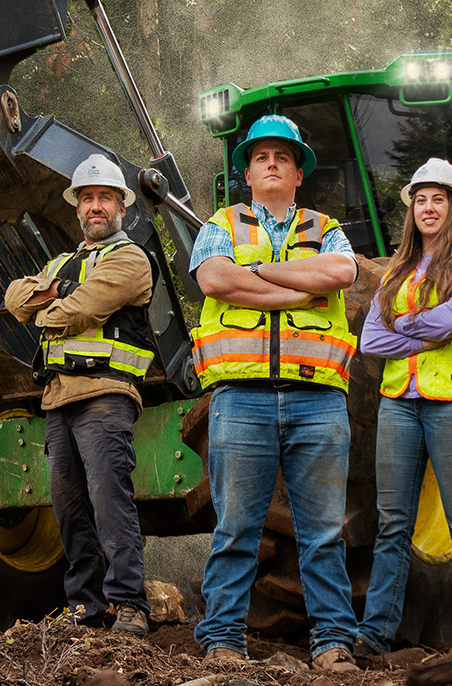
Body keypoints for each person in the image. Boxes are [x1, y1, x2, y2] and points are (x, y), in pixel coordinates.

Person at [188, 114, 362, 672]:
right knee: (236, 527)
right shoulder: (220, 222)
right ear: (246, 171)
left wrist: (257, 274)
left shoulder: (327, 227)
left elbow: (339, 271)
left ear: (298, 173)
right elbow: (215, 280)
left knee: (324, 533)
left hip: (318, 400)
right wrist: (291, 287)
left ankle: (333, 644)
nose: (271, 164)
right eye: (261, 157)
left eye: (282, 157)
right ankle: (222, 641)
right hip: (241, 399)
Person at [3, 153, 157, 635]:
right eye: (87, 198)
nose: (95, 206)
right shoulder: (61, 262)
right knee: (69, 510)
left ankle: (130, 605)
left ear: (121, 208)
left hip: (105, 396)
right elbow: (13, 297)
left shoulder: (131, 259)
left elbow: (74, 310)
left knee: (109, 500)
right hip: (57, 398)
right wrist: (61, 289)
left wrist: (51, 302)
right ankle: (84, 609)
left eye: (104, 198)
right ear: (77, 208)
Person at [354, 158, 452, 654]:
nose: (428, 207)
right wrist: (426, 333)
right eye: (421, 199)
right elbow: (373, 339)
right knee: (392, 524)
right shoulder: (395, 270)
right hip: (399, 403)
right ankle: (374, 636)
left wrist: (407, 328)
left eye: (439, 198)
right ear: (411, 209)